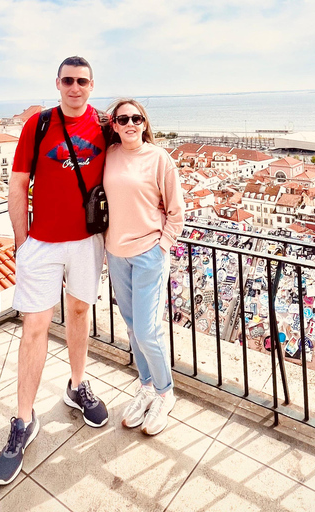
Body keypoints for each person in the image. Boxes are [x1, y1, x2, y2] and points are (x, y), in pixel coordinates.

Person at [0, 56, 109, 486]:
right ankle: (23, 420)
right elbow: (18, 184)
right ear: (57, 83)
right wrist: (23, 241)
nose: (74, 87)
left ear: (92, 85)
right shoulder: (37, 125)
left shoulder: (105, 125)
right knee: (35, 326)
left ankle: (77, 386)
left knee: (79, 314)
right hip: (41, 244)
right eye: (68, 80)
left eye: (82, 81)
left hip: (86, 242)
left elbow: (134, 160)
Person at [103, 99, 184, 435]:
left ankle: (166, 393)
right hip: (115, 253)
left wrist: (161, 247)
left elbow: (177, 211)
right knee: (133, 326)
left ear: (145, 123)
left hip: (149, 253)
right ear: (115, 125)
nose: (130, 123)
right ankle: (146, 386)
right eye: (123, 119)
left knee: (148, 330)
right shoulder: (108, 155)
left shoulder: (159, 158)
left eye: (137, 118)